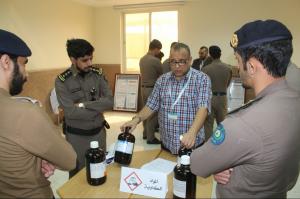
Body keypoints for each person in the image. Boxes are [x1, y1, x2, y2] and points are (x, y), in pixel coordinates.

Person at [190, 19, 300, 198]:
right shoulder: (295, 100)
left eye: (238, 60)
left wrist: (223, 163)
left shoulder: (242, 123)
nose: (238, 67)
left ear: (251, 67)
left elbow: (197, 164)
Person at [0, 29, 76, 198]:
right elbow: (69, 160)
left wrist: (33, 159)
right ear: (6, 61)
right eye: (23, 63)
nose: (26, 74)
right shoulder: (24, 112)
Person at [122, 42, 211, 154]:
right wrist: (136, 119)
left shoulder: (201, 79)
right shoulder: (162, 80)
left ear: (190, 60)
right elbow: (151, 105)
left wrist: (192, 132)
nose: (177, 66)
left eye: (182, 61)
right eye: (173, 62)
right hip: (167, 145)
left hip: (192, 146)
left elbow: (203, 107)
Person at [55, 39, 113, 178]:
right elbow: (70, 112)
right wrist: (98, 108)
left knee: (99, 170)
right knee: (77, 175)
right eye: (85, 60)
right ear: (73, 59)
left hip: (99, 133)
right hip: (77, 137)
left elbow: (110, 101)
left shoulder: (97, 74)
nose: (90, 63)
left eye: (91, 59)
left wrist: (84, 105)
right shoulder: (62, 81)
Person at [202, 45, 232, 140]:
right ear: (220, 54)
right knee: (222, 124)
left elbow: (203, 86)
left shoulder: (205, 69)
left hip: (210, 98)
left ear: (210, 55)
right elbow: (227, 84)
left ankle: (208, 146)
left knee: (208, 124)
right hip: (222, 98)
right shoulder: (228, 68)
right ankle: (222, 145)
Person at [139, 39, 163, 144]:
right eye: (159, 50)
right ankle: (150, 137)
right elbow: (161, 75)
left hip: (143, 88)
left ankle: (145, 134)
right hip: (152, 89)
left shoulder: (142, 59)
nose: (159, 52)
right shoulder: (155, 61)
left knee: (145, 110)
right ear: (156, 49)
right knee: (152, 113)